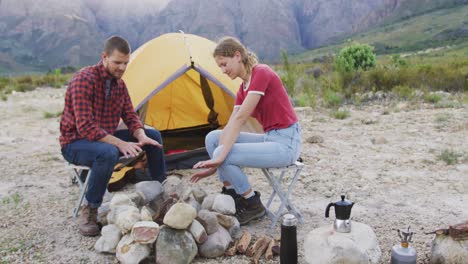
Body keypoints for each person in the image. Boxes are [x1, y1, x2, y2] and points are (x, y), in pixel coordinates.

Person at [59, 36, 166, 236]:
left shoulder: (120, 85)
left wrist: (140, 135)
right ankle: (90, 209)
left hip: (104, 139)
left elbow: (131, 116)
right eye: (117, 62)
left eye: (126, 63)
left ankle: (162, 195)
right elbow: (86, 127)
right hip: (75, 143)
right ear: (104, 57)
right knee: (108, 152)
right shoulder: (84, 79)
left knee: (153, 136)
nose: (122, 68)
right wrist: (120, 143)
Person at [190, 37, 302, 225]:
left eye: (225, 64)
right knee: (213, 139)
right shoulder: (243, 89)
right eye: (220, 67)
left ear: (237, 56)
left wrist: (217, 160)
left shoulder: (261, 72)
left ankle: (252, 204)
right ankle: (232, 194)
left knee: (222, 152)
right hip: (270, 138)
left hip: (287, 143)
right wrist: (214, 164)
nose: (224, 71)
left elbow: (241, 119)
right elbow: (232, 122)